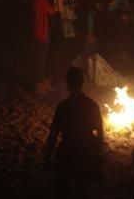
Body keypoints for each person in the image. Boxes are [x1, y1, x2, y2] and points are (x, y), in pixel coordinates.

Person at [44, 66, 104, 199]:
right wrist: (98, 156)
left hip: (67, 152)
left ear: (68, 84)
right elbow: (100, 133)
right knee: (82, 190)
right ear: (82, 83)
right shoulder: (92, 105)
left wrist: (47, 156)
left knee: (62, 191)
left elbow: (53, 134)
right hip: (85, 153)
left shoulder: (63, 106)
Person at [33, 0, 55, 94]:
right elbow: (51, 11)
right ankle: (39, 86)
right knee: (40, 59)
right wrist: (58, 5)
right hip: (41, 32)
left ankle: (41, 84)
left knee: (40, 58)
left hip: (37, 31)